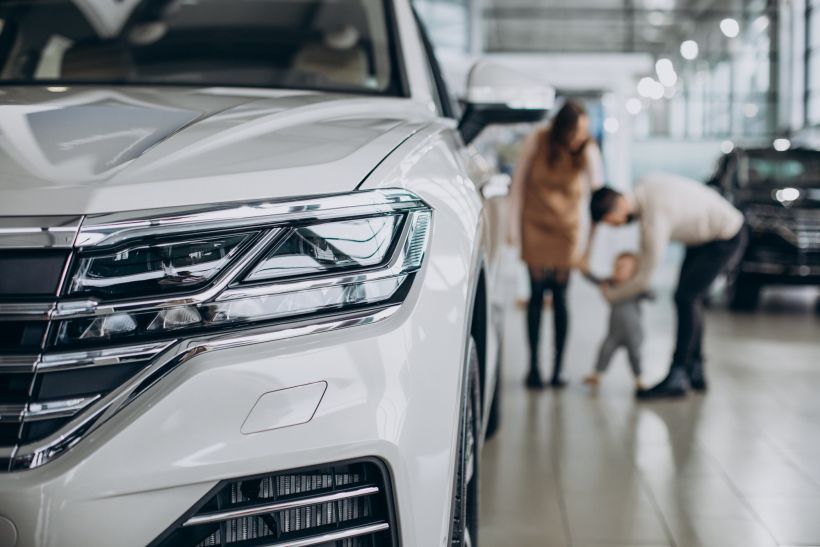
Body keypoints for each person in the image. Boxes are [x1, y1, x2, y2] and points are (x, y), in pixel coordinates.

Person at [588, 173, 748, 400]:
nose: (614, 227)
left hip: (725, 235)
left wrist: (612, 295)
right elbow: (644, 258)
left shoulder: (653, 214)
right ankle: (695, 371)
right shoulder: (644, 192)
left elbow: (644, 278)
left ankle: (678, 375)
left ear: (619, 206)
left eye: (611, 222)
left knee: (686, 298)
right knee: (690, 298)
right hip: (702, 240)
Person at [508, 100, 604, 389]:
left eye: (585, 131)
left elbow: (599, 193)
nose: (580, 136)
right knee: (537, 294)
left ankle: (559, 367)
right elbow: (519, 184)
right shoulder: (537, 140)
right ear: (562, 127)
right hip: (534, 223)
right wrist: (511, 228)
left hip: (567, 228)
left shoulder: (587, 149)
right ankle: (534, 367)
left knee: (561, 296)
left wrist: (592, 241)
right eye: (576, 130)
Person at [580, 252, 650, 392]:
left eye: (623, 267)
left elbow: (651, 295)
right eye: (616, 266)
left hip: (633, 332)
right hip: (614, 332)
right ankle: (597, 374)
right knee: (605, 350)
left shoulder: (634, 288)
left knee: (635, 355)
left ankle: (639, 377)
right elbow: (594, 279)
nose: (618, 269)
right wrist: (584, 269)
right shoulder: (610, 284)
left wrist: (645, 290)